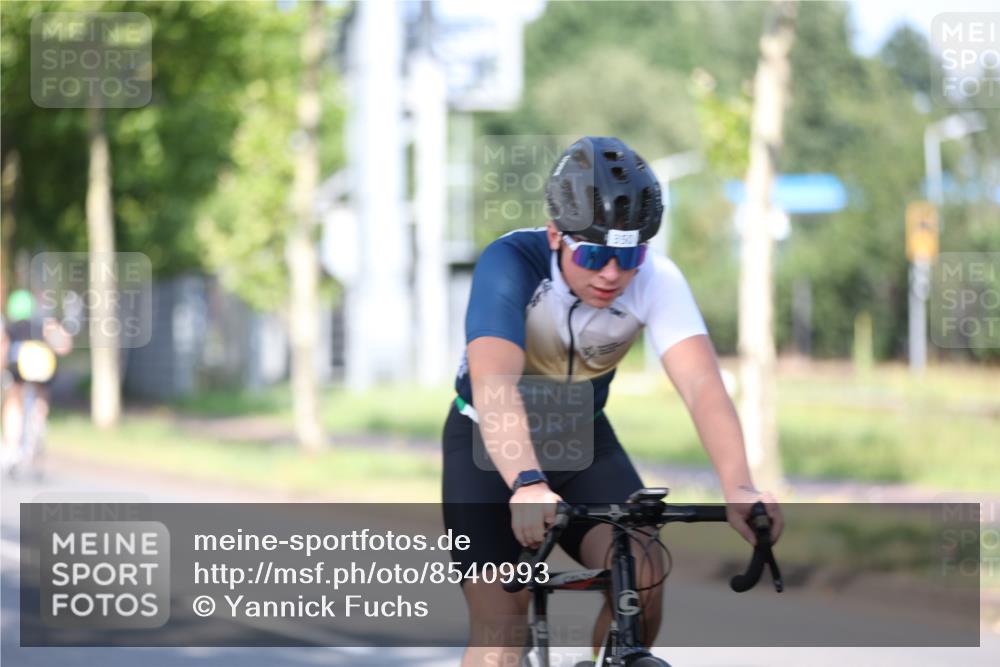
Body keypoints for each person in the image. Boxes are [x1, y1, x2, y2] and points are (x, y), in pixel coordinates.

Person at [441, 136, 783, 666]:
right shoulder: (510, 263)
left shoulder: (657, 279)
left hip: (581, 436)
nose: (612, 274)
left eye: (629, 256)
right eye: (595, 253)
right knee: (499, 630)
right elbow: (494, 386)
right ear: (557, 233)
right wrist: (528, 483)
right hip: (487, 444)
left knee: (643, 573)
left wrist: (740, 485)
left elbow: (701, 386)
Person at [1, 289, 73, 473]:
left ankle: (13, 446)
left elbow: (3, 350)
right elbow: (64, 346)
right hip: (43, 367)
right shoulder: (42, 325)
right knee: (41, 394)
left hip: (20, 366)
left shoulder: (11, 328)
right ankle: (39, 421)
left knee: (14, 398)